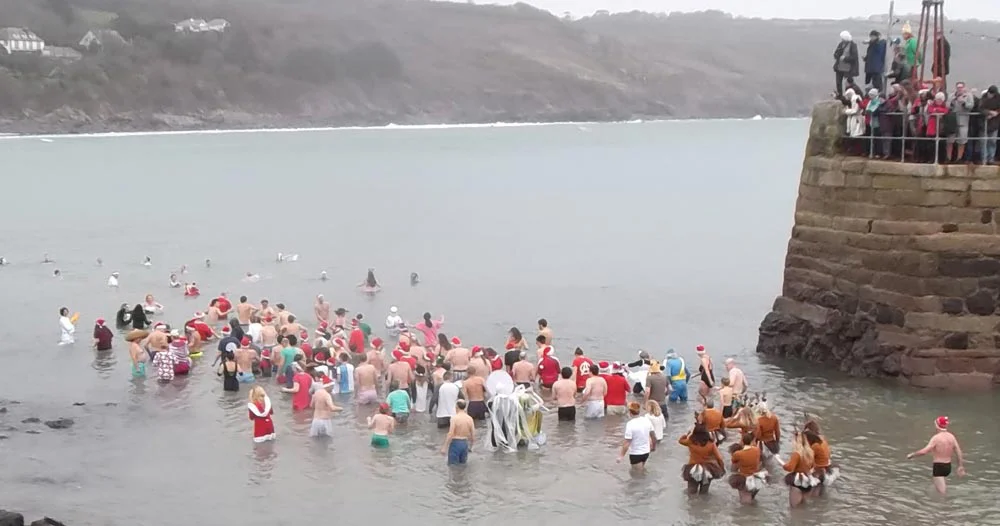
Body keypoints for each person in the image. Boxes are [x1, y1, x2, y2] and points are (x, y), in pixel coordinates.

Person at [907, 416, 966, 495]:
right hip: (948, 466)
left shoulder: (936, 438)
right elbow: (958, 451)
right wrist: (960, 466)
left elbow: (924, 451)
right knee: (937, 487)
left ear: (936, 425)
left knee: (942, 493)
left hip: (939, 467)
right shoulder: (951, 437)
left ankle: (944, 502)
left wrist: (912, 455)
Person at [679, 423, 726, 494]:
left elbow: (680, 440)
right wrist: (722, 468)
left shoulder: (690, 442)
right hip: (707, 469)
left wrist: (688, 434)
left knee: (691, 492)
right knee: (704, 493)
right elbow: (719, 458)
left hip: (692, 468)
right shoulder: (711, 444)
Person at [729, 433, 766, 504]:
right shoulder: (757, 450)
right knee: (752, 499)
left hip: (744, 478)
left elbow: (733, 461)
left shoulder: (738, 453)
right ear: (751, 441)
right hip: (756, 478)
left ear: (742, 442)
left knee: (744, 502)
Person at [617, 401, 655, 471]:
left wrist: (621, 456)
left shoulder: (630, 424)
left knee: (636, 474)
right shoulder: (646, 420)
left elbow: (627, 442)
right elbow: (653, 436)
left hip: (636, 454)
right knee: (642, 470)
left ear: (630, 412)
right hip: (646, 452)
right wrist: (653, 447)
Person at [783, 432, 818, 507]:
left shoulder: (797, 454)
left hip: (797, 481)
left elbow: (790, 468)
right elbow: (813, 466)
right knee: (804, 505)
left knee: (794, 508)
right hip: (807, 481)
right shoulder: (811, 452)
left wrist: (784, 465)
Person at [441, 399, 474, 466]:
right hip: (465, 444)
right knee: (463, 465)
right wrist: (471, 446)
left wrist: (444, 447)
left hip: (455, 443)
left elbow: (450, 433)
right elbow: (473, 434)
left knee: (452, 466)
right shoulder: (469, 418)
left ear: (456, 407)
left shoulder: (454, 418)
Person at [948, 82, 975, 162]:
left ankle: (959, 158)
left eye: (961, 87)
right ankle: (948, 158)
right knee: (950, 140)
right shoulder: (951, 95)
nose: (959, 89)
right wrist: (952, 103)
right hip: (952, 121)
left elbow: (971, 106)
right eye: (958, 87)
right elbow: (947, 106)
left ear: (964, 88)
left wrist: (963, 103)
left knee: (962, 140)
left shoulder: (968, 96)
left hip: (963, 121)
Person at [833, 30, 859, 97]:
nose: (842, 40)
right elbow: (836, 54)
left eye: (843, 38)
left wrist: (845, 58)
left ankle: (849, 96)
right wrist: (837, 55)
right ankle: (840, 96)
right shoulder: (841, 44)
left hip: (848, 69)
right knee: (838, 83)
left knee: (849, 84)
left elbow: (854, 57)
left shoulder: (853, 45)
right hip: (839, 67)